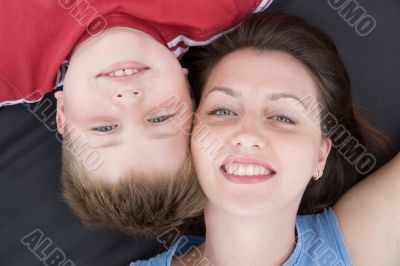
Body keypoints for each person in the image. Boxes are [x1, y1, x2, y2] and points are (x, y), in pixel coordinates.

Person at [132, 11, 399, 265]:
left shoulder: (359, 246)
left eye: (283, 117)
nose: (248, 135)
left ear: (320, 155)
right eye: (223, 110)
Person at [0, 0, 274, 235]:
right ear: (190, 95)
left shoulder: (10, 69)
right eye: (159, 119)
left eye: (105, 127)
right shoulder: (221, 6)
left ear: (62, 116)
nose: (129, 99)